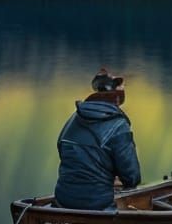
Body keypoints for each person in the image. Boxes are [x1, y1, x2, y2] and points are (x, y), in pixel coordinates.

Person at [54, 68, 141, 210]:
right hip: (97, 205)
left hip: (62, 201)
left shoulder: (73, 119)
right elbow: (132, 177)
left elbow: (62, 149)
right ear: (117, 97)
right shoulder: (119, 125)